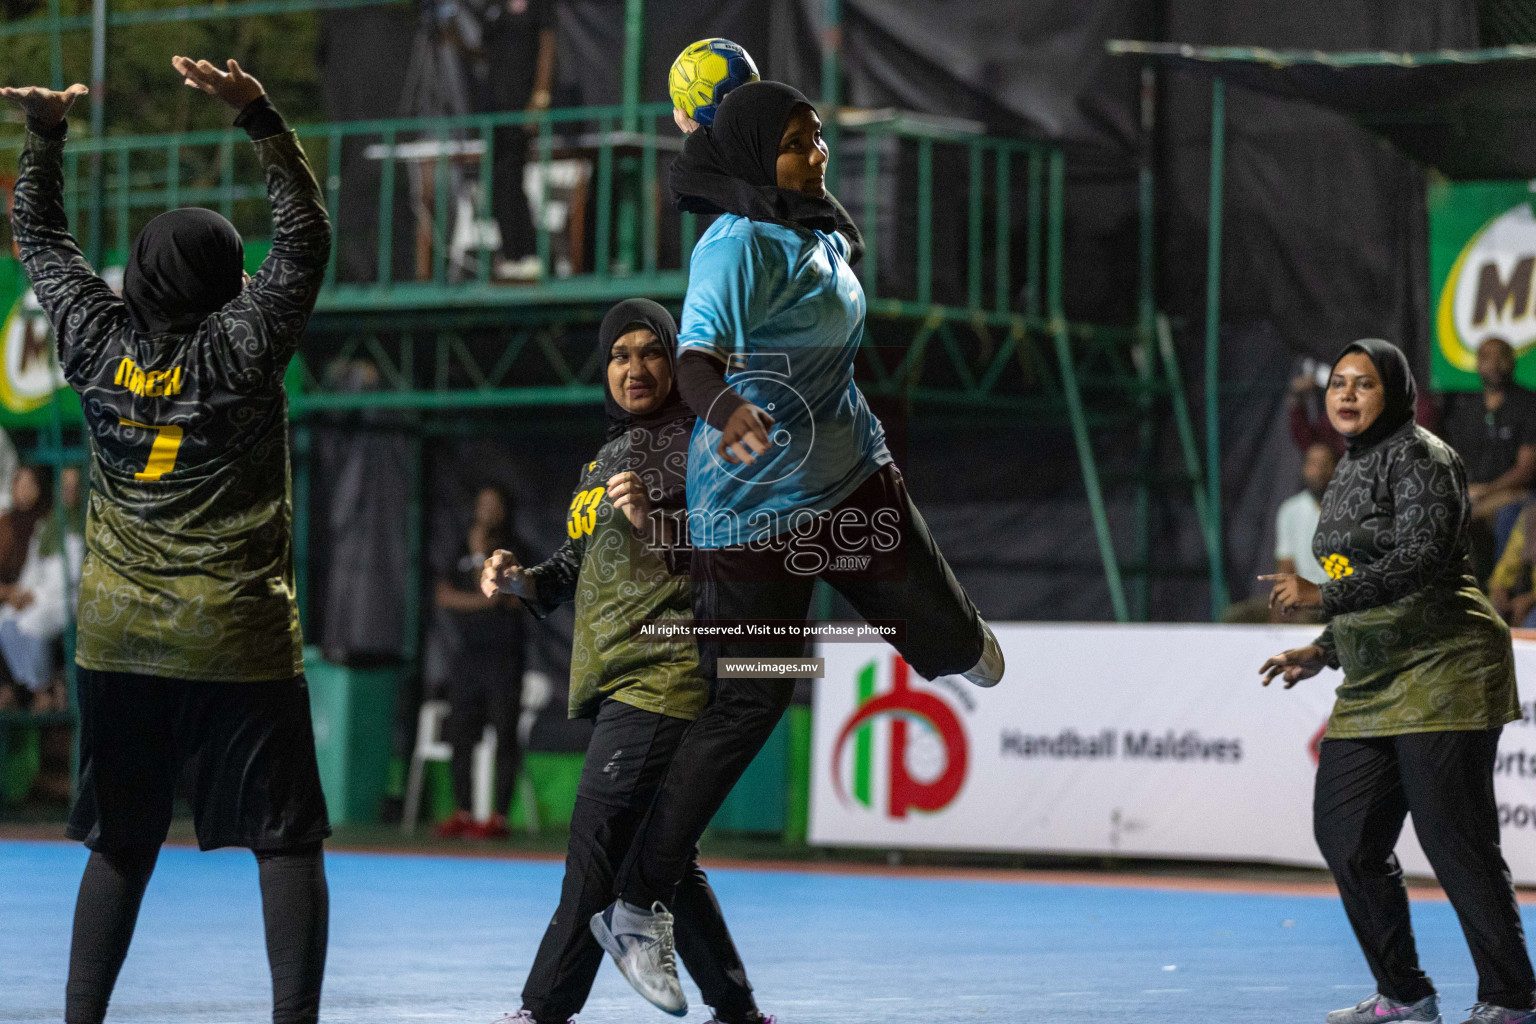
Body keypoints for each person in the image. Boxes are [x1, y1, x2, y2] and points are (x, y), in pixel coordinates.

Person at [571, 81, 1002, 1016]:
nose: (819, 154)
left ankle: (948, 640)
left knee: (955, 646)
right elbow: (693, 363)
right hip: (752, 517)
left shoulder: (818, 224)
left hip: (848, 473)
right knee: (753, 699)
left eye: (818, 138)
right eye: (800, 142)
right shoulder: (732, 246)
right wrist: (726, 412)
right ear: (756, 155)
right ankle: (639, 903)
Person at [4, 56, 332, 1024]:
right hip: (239, 639)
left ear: (140, 273)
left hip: (119, 641)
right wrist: (260, 118)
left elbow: (39, 239)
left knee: (120, 841)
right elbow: (306, 239)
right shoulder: (243, 345)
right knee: (284, 839)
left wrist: (45, 133)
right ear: (228, 277)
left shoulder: (95, 344)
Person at [481, 298, 773, 1024]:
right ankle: (737, 1011)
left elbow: (736, 550)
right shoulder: (606, 456)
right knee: (664, 860)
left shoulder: (705, 441)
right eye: (619, 355)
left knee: (597, 855)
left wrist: (658, 520)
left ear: (676, 363)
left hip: (664, 674)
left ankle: (541, 1011)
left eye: (651, 353)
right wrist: (521, 579)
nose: (634, 368)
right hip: (619, 679)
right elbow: (577, 563)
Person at [1259, 338, 1535, 1024]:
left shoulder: (1424, 458)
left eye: (1365, 384)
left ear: (1397, 394)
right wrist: (1324, 648)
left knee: (1456, 839)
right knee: (1346, 836)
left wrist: (1322, 599)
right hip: (1376, 674)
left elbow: (1417, 561)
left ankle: (1509, 997)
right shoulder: (1350, 470)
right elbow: (1357, 576)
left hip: (1446, 664)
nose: (1347, 394)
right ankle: (1405, 993)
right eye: (1338, 384)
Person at [433, 483, 526, 840]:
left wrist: (477, 558)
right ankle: (463, 811)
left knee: (505, 732)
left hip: (504, 658)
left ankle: (498, 817)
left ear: (504, 510)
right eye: (481, 503)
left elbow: (495, 591)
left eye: (494, 504)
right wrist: (483, 602)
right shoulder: (459, 545)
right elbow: (444, 595)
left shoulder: (513, 550)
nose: (486, 511)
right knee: (460, 732)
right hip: (467, 659)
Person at [1440, 338, 1536, 578]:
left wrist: (1487, 490)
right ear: (1477, 363)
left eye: (1501, 356)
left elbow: (1526, 470)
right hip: (1473, 493)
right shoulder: (1467, 409)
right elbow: (1454, 460)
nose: (1494, 364)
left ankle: (1500, 588)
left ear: (1512, 362)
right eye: (1486, 357)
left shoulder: (1528, 404)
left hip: (1513, 493)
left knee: (1504, 514)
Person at [481, 0, 555, 281]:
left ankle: (524, 253)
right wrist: (453, 39)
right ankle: (513, 253)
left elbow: (548, 46)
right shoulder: (493, 8)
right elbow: (484, 53)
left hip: (521, 107)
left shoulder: (539, 8)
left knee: (511, 177)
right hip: (494, 112)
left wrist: (540, 97)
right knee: (498, 180)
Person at [1275, 443, 1338, 584]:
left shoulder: (1351, 509)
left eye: (1325, 464)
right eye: (1313, 463)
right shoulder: (1290, 511)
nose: (1320, 471)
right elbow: (1285, 566)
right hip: (1305, 600)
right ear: (1304, 468)